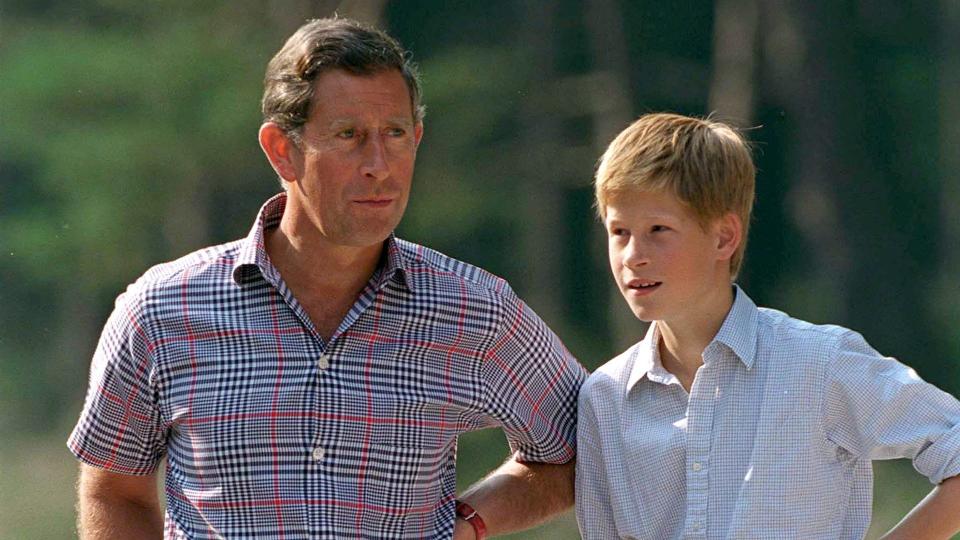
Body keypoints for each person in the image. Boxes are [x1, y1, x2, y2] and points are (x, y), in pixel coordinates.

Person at [68, 17, 586, 539]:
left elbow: (587, 451)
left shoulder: (476, 311)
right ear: (281, 150)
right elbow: (115, 490)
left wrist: (470, 523)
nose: (380, 166)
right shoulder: (161, 310)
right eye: (349, 136)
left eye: (396, 134)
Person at [575, 112, 960, 539]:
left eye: (658, 229)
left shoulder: (820, 364)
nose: (632, 255)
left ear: (724, 237)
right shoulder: (604, 398)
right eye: (619, 231)